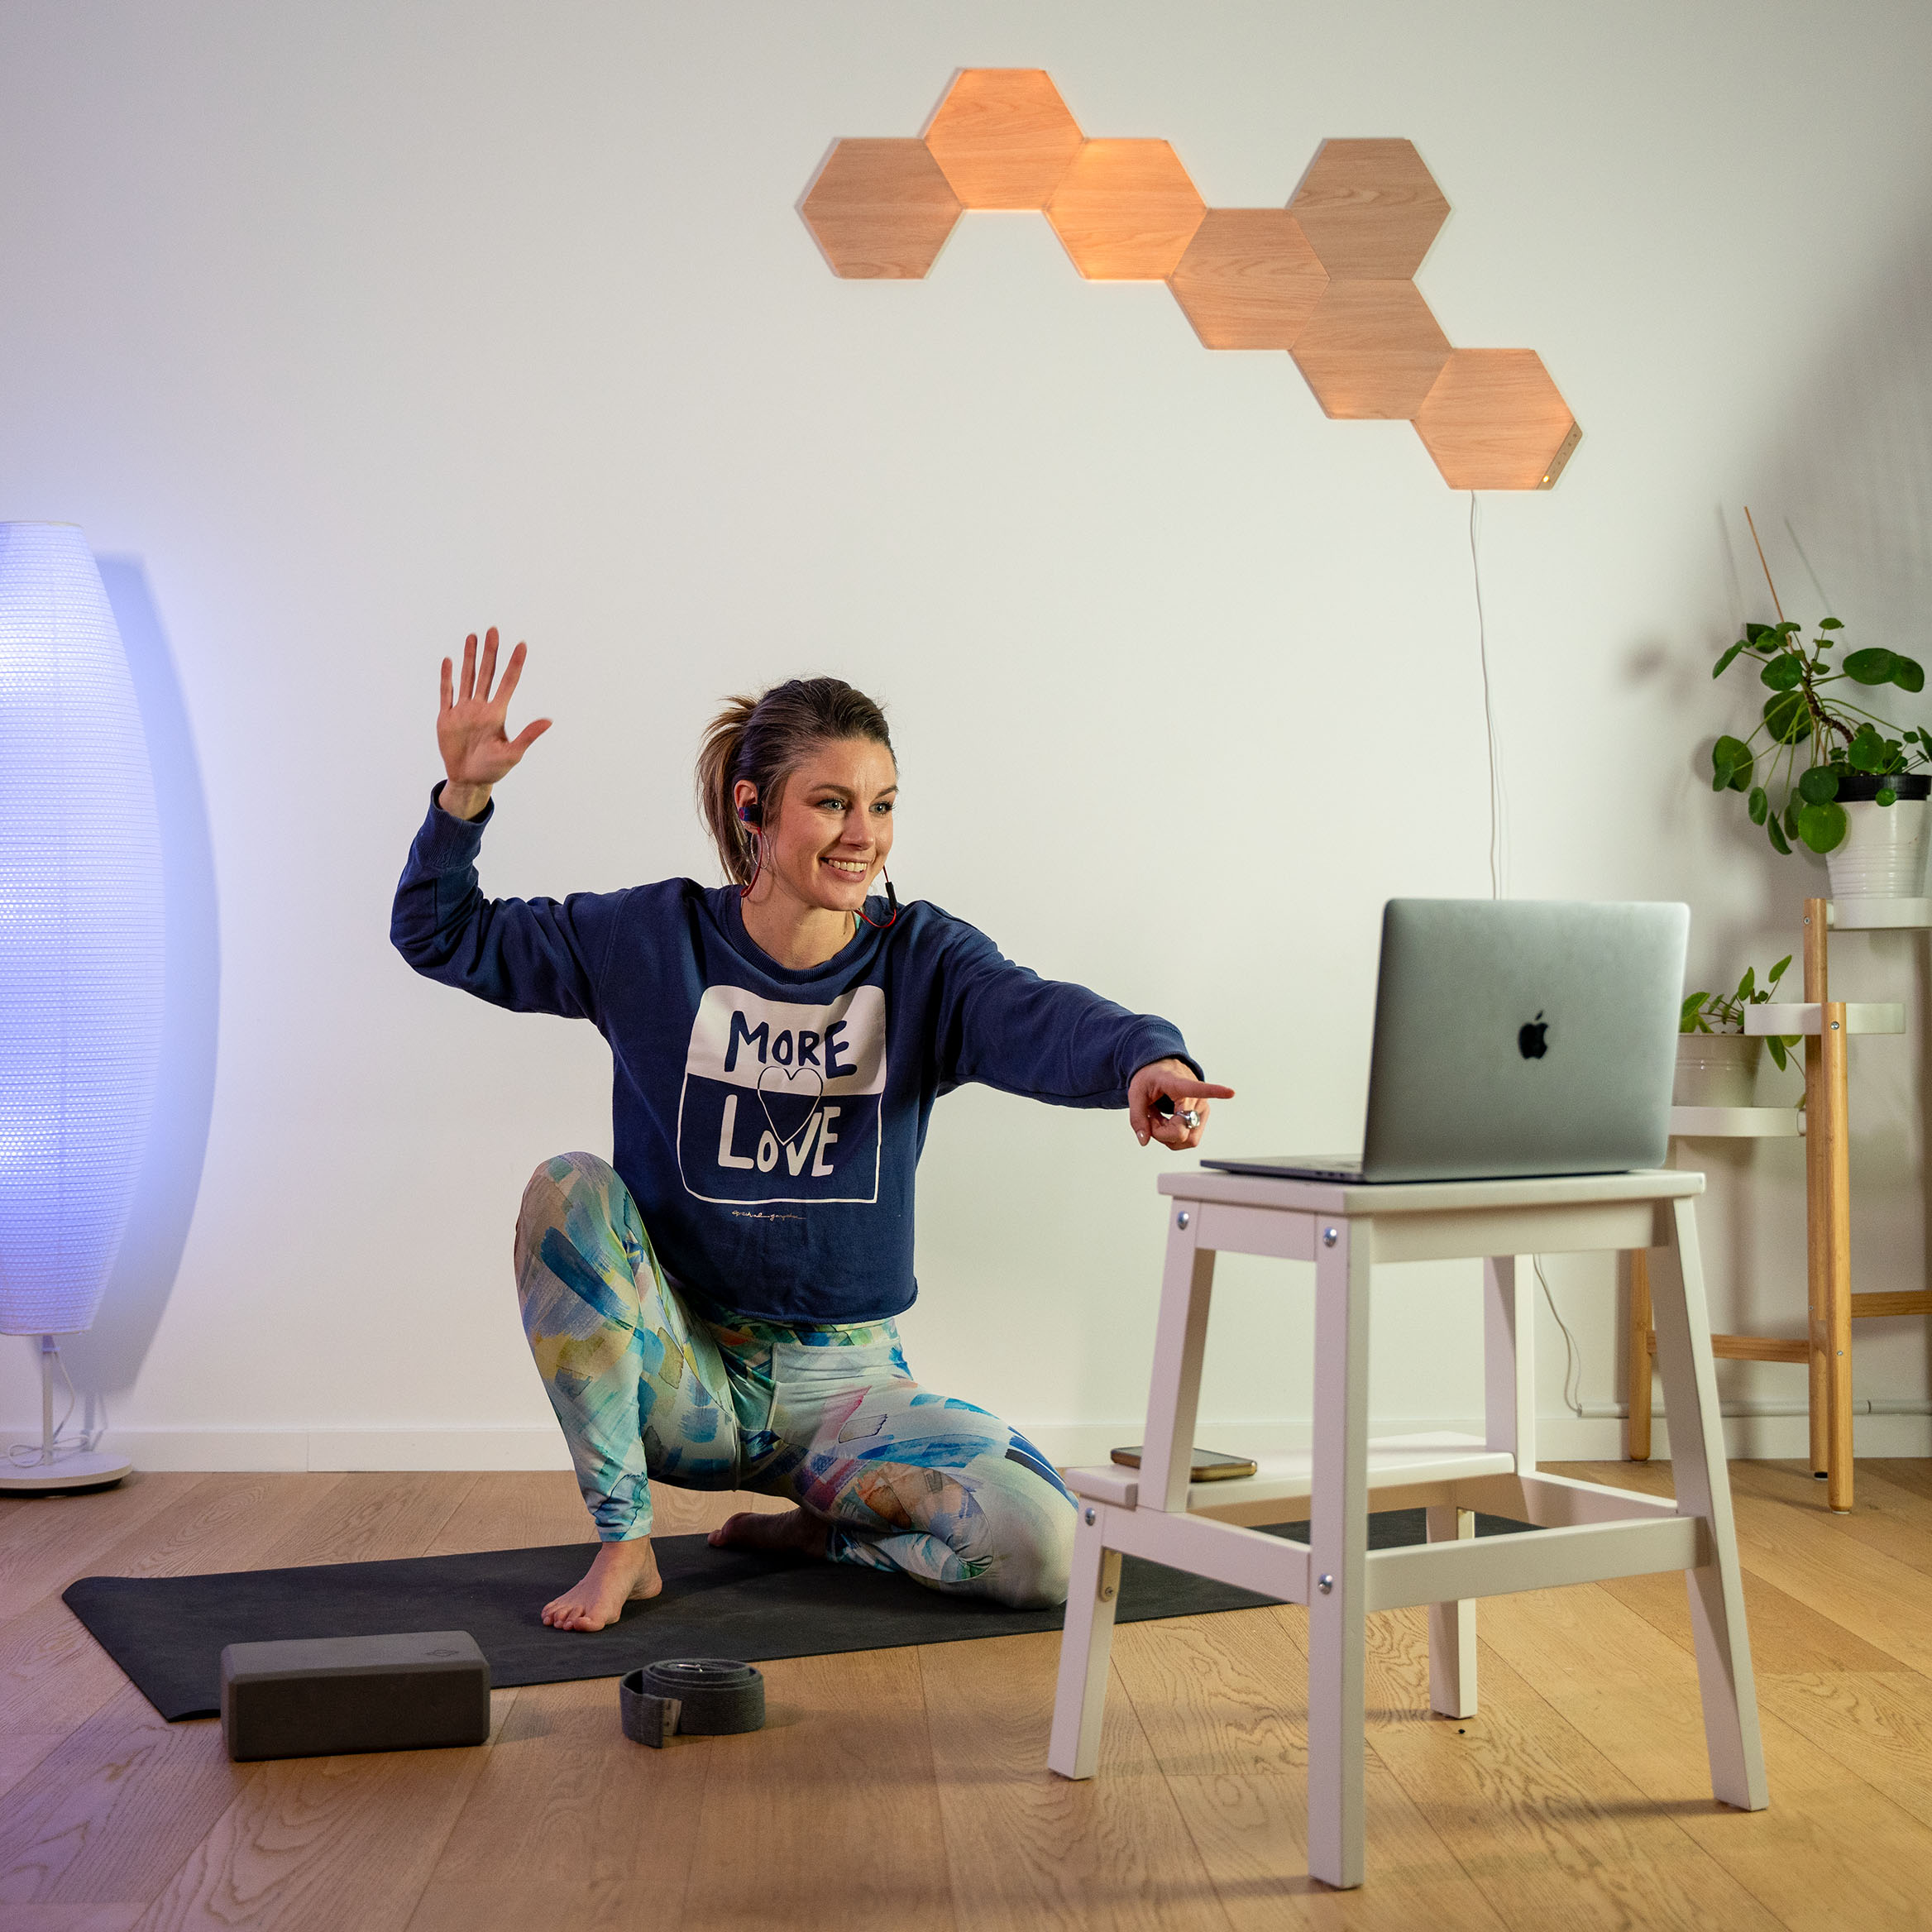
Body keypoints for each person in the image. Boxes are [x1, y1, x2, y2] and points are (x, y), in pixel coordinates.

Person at [391, 628, 1233, 1631]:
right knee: (565, 1188)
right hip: (685, 1372)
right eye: (831, 803)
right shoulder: (648, 940)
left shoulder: (919, 959)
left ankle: (828, 1524)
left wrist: (1144, 1058)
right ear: (753, 809)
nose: (862, 835)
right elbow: (442, 933)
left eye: (880, 806)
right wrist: (463, 802)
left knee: (1047, 1549)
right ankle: (626, 1543)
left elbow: (1033, 1010)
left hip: (849, 1395)